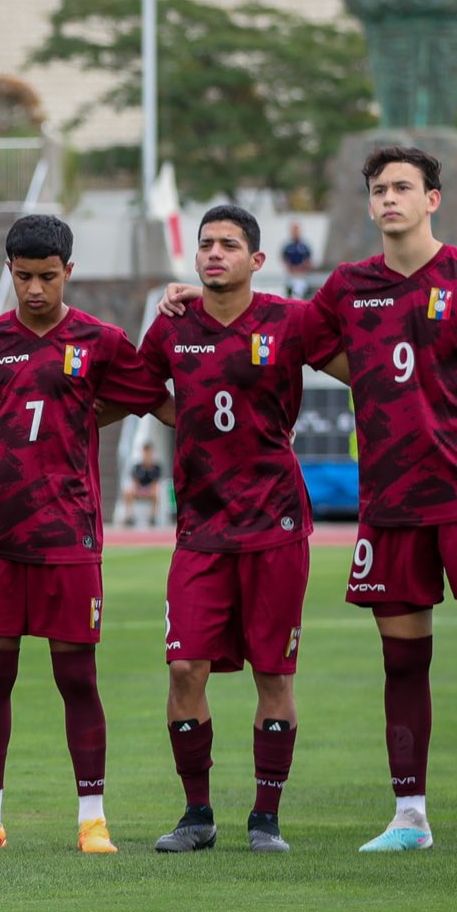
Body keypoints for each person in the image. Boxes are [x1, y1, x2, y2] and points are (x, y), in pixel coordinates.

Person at [176, 146, 457, 854]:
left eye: (403, 187)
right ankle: (410, 817)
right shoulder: (347, 288)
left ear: (432, 198)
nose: (389, 200)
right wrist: (205, 295)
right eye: (379, 189)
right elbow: (283, 331)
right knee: (401, 661)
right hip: (392, 502)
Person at [0, 214, 167, 854]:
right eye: (23, 277)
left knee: (76, 675)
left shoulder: (101, 340)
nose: (34, 290)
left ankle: (92, 819)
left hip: (69, 535)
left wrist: (236, 412)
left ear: (68, 273)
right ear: (9, 272)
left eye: (47, 278)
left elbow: (154, 396)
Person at [139, 204, 340, 854]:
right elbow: (139, 388)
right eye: (205, 245)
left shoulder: (293, 321)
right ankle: (197, 814)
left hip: (276, 524)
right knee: (183, 668)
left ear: (257, 260)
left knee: (274, 675)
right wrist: (188, 416)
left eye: (228, 245)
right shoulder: (171, 327)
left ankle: (266, 818)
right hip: (200, 527)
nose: (214, 253)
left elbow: (354, 363)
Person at [120, 441, 164, 528]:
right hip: (139, 489)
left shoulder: (156, 467)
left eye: (149, 452)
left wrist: (148, 490)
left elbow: (155, 482)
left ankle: (153, 517)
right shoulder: (137, 467)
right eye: (145, 452)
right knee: (127, 491)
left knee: (156, 491)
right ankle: (130, 516)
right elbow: (135, 481)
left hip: (150, 490)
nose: (147, 455)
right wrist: (140, 489)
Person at [282, 223, 314, 300]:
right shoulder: (288, 247)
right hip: (291, 275)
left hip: (302, 276)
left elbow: (308, 260)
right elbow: (285, 259)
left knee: (303, 297)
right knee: (290, 297)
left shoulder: (305, 246)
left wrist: (301, 268)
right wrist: (292, 269)